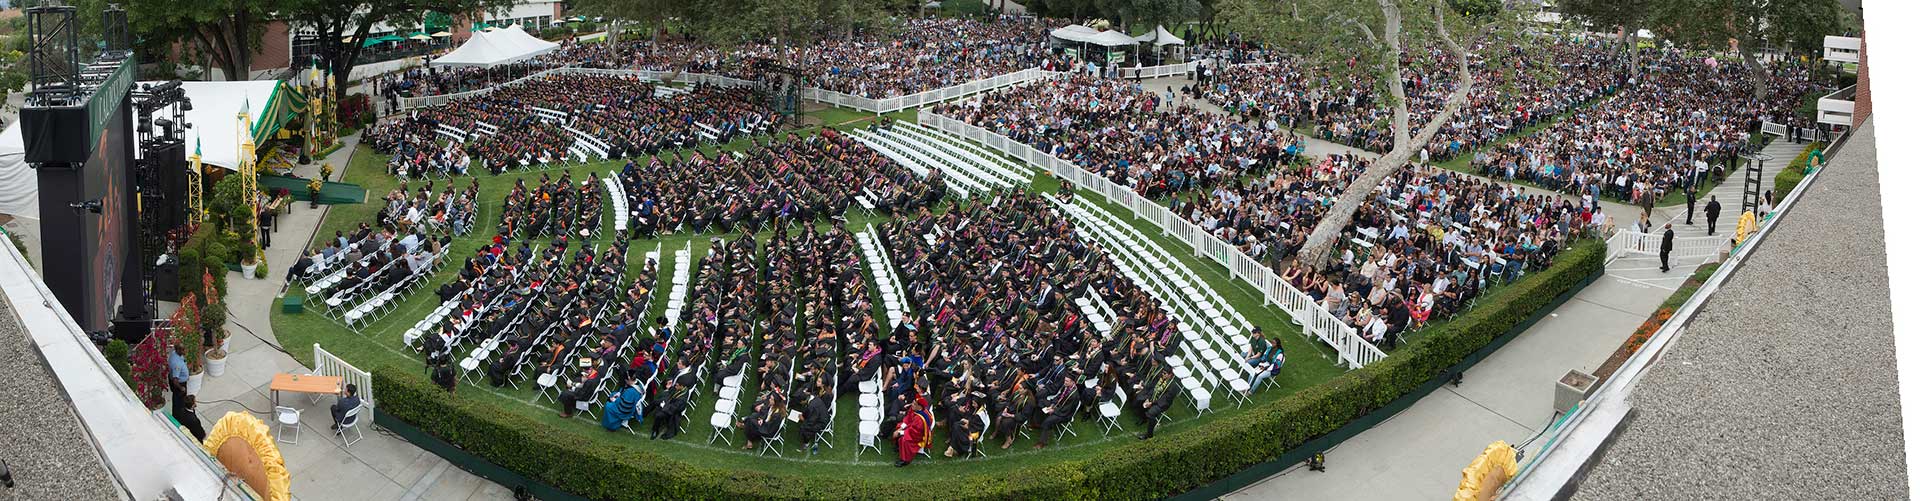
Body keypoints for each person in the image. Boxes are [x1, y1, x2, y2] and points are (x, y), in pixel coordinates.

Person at [893, 399, 928, 467]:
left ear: (920, 407)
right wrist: (900, 428)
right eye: (913, 402)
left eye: (915, 404)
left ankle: (905, 460)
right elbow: (908, 418)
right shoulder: (914, 409)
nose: (912, 405)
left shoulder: (920, 419)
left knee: (904, 440)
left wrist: (900, 432)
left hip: (918, 435)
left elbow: (914, 432)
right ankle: (899, 446)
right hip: (911, 428)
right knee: (899, 426)